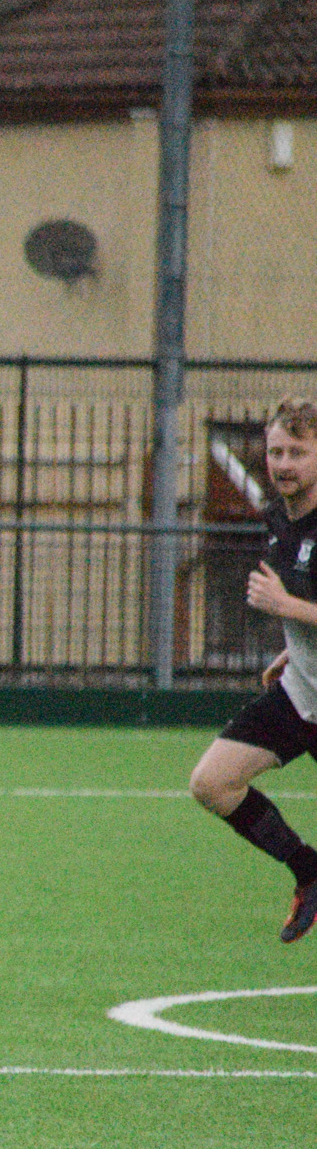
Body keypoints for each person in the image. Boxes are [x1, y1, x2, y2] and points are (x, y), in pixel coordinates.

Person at [188, 396, 317, 942]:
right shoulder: (278, 520)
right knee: (212, 783)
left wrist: (287, 609)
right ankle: (308, 869)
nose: (284, 463)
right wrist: (296, 647)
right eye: (275, 452)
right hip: (301, 694)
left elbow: (295, 600)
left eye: (298, 451)